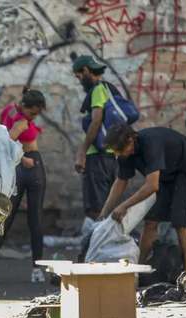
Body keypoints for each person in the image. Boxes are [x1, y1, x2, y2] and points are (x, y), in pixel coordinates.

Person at [99, 124, 186, 286]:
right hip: (165, 176)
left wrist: (124, 206)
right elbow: (121, 181)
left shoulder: (151, 143)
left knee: (180, 221)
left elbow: (152, 185)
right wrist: (104, 213)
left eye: (121, 150)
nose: (120, 154)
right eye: (114, 152)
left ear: (132, 139)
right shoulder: (123, 153)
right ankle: (138, 269)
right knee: (151, 222)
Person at [0, 89, 47, 284]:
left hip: (16, 167)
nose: (33, 118)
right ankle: (36, 269)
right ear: (26, 107)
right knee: (32, 220)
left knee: (6, 218)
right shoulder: (21, 121)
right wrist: (22, 158)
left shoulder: (9, 110)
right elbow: (6, 141)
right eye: (33, 113)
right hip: (27, 166)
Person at [72, 55, 120, 220]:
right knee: (106, 207)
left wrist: (82, 151)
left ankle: (99, 245)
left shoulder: (99, 90)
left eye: (79, 77)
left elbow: (96, 120)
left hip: (97, 158)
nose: (79, 81)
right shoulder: (109, 89)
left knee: (96, 210)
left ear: (85, 70)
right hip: (110, 156)